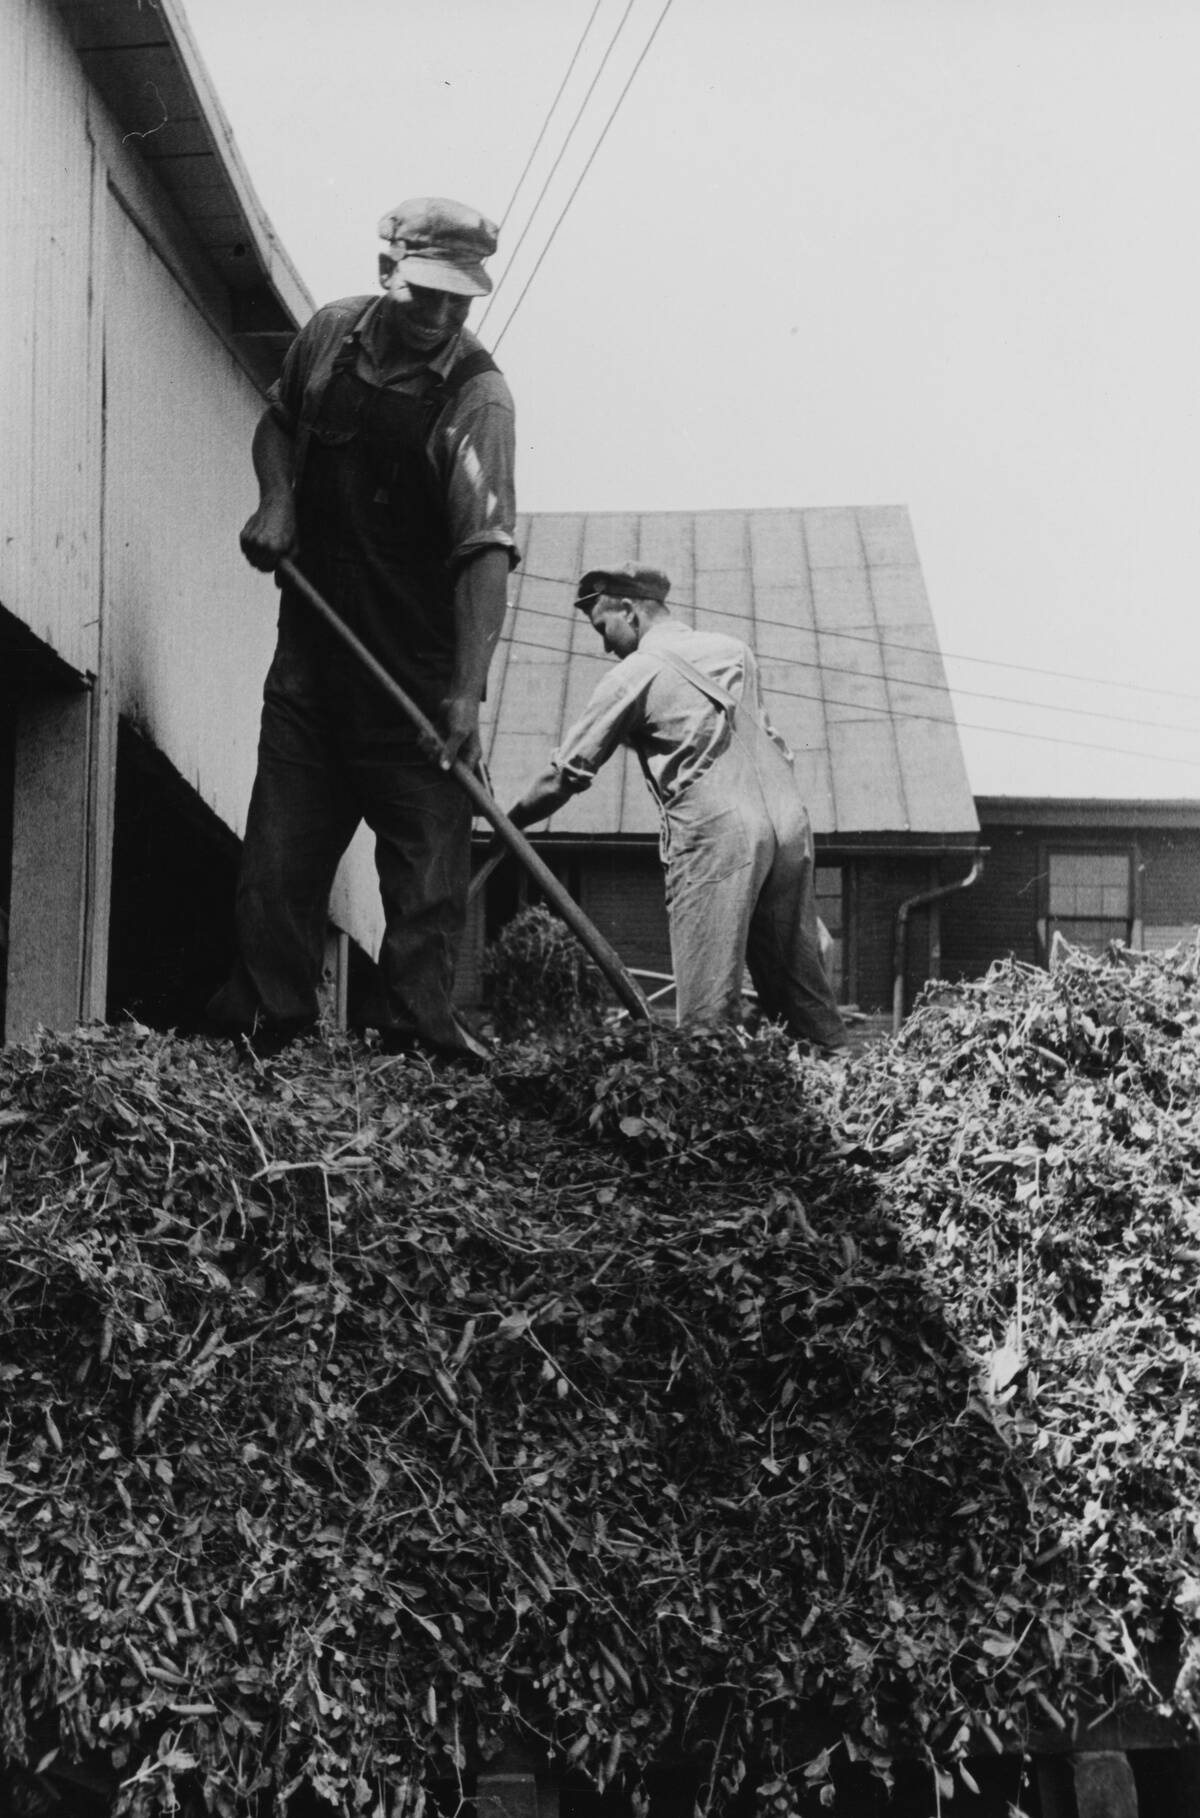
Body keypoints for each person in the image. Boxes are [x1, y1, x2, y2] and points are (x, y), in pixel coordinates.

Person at [208, 197, 518, 1061]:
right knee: (275, 869)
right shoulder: (328, 337)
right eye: (428, 295)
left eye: (462, 300)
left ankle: (418, 1047)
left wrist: (464, 691)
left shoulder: (477, 397)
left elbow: (483, 552)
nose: (445, 316)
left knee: (426, 887)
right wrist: (277, 500)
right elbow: (279, 423)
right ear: (388, 273)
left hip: (415, 684)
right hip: (313, 663)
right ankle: (267, 1036)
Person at [506, 564, 848, 1050]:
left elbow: (564, 777)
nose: (605, 645)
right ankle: (840, 1084)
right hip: (789, 825)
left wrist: (508, 821)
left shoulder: (634, 674)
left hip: (718, 832)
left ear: (628, 609)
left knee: (705, 1020)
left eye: (604, 628)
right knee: (803, 996)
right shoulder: (734, 651)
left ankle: (712, 1118)